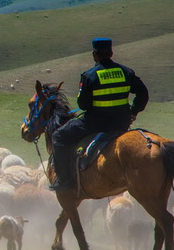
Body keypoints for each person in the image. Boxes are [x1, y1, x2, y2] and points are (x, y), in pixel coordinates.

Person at [49, 37, 149, 191]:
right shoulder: (126, 72)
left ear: (94, 54)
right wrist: (133, 111)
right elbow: (143, 93)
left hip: (94, 123)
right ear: (111, 52)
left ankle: (64, 180)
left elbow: (83, 105)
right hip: (122, 122)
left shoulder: (90, 76)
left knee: (58, 137)